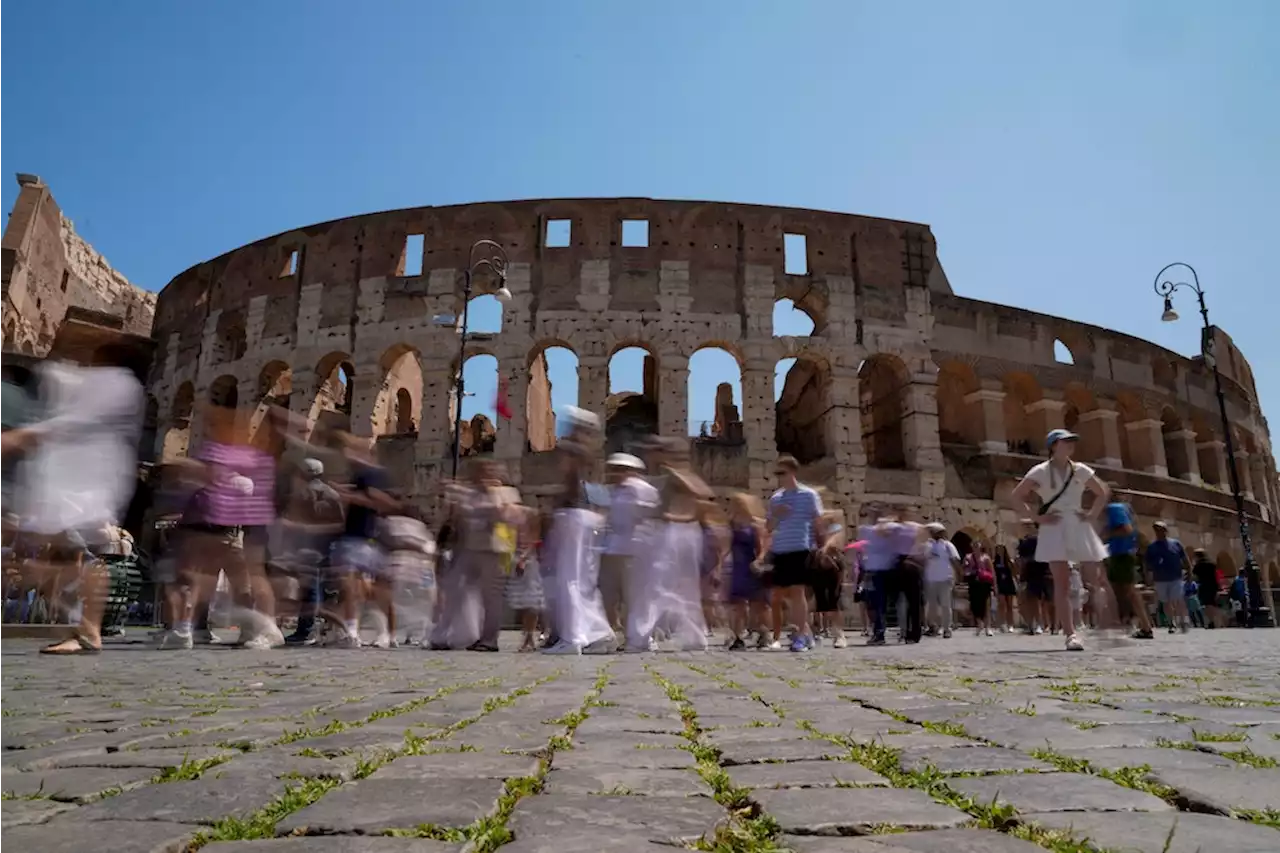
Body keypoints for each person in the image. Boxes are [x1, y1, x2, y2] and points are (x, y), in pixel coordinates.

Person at [0, 346, 145, 655]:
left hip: (87, 481)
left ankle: (87, 632)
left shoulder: (118, 382)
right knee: (63, 553)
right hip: (73, 477)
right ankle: (81, 631)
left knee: (77, 555)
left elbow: (80, 421)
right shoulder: (101, 381)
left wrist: (24, 436)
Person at [1010, 429, 1110, 652]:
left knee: (1096, 576)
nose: (1071, 445)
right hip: (1054, 525)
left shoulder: (1080, 469)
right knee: (1062, 582)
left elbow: (1101, 492)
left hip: (1077, 522)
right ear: (1053, 446)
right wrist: (1036, 517)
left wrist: (1092, 514)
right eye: (1066, 442)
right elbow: (1016, 496)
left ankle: (1106, 623)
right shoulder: (1041, 471)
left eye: (1072, 441)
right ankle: (1070, 634)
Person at [543, 407, 616, 655]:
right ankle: (599, 634)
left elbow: (569, 482)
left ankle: (572, 638)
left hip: (572, 514)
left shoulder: (570, 450)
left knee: (569, 578)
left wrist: (557, 504)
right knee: (585, 580)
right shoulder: (591, 453)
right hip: (590, 516)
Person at [766, 455, 825, 653]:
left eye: (781, 473)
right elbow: (768, 527)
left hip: (800, 548)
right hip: (780, 550)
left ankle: (799, 635)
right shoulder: (776, 498)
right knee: (784, 595)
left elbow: (818, 523)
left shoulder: (809, 495)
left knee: (797, 592)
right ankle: (806, 631)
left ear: (792, 472)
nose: (778, 477)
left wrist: (821, 548)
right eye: (776, 473)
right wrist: (777, 514)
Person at [600, 453, 656, 635]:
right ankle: (615, 629)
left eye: (617, 469)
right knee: (609, 593)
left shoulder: (643, 490)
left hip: (634, 547)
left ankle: (640, 634)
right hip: (613, 547)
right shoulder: (614, 491)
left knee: (634, 595)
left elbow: (649, 517)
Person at [857, 514, 924, 646]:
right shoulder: (904, 527)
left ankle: (881, 633)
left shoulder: (872, 530)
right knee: (912, 602)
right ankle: (912, 634)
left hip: (888, 567)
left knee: (882, 604)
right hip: (900, 564)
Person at [1101, 489, 1154, 639]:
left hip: (1121, 554)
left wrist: (1105, 535)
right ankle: (1131, 623)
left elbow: (1126, 530)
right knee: (1120, 591)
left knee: (1129, 591)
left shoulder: (1114, 508)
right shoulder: (1124, 508)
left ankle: (1144, 626)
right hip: (1122, 553)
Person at [725, 492, 768, 650]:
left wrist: (759, 560)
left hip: (751, 566)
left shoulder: (755, 524)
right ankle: (737, 636)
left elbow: (762, 547)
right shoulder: (730, 524)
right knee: (738, 605)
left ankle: (763, 632)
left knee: (758, 604)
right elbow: (725, 546)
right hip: (737, 566)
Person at [506, 509, 545, 652]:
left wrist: (524, 557)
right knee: (522, 600)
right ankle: (527, 635)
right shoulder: (512, 528)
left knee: (532, 600)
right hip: (516, 560)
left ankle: (530, 634)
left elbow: (534, 543)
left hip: (530, 563)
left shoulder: (532, 526)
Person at [810, 508, 848, 648]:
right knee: (815, 598)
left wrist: (825, 547)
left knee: (834, 599)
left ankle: (839, 634)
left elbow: (835, 539)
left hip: (833, 562)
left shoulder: (834, 526)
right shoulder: (813, 527)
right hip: (816, 561)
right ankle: (813, 632)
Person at [1144, 520, 1191, 634]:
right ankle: (1171, 622)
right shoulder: (1152, 547)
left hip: (1175, 577)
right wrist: (1148, 577)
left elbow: (1184, 559)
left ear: (1166, 531)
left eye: (1161, 530)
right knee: (1166, 602)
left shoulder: (1176, 544)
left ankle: (1183, 621)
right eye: (1156, 530)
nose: (1159, 532)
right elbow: (1146, 564)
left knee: (1178, 599)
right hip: (1160, 578)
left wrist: (1189, 571)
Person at [921, 522, 959, 638]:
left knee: (945, 605)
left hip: (945, 578)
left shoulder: (948, 545)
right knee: (931, 606)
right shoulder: (927, 545)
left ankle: (947, 628)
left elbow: (955, 560)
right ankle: (933, 627)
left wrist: (958, 575)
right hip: (930, 579)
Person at [1015, 520, 1053, 635]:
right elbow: (1021, 560)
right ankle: (1031, 623)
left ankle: (1041, 624)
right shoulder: (1024, 542)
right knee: (1028, 599)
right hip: (1029, 572)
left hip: (1041, 571)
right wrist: (1021, 574)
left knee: (1041, 600)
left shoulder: (1042, 540)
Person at [964, 540, 995, 636]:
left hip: (984, 583)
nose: (976, 547)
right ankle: (979, 623)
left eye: (977, 545)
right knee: (974, 605)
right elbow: (964, 568)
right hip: (974, 582)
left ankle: (988, 627)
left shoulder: (986, 557)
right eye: (974, 545)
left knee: (986, 604)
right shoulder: (968, 557)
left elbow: (992, 571)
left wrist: (995, 585)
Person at [1190, 549, 1221, 628]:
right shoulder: (1212, 564)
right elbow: (1217, 575)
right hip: (1213, 585)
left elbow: (1194, 576)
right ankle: (1216, 621)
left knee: (1207, 605)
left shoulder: (1198, 565)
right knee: (1212, 604)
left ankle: (1211, 621)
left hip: (1204, 585)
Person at [992, 543, 1018, 633]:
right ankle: (1002, 624)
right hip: (1000, 584)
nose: (1000, 551)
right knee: (1001, 604)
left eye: (1001, 549)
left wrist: (1018, 584)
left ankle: (1010, 624)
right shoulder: (994, 562)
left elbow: (1014, 574)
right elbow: (994, 575)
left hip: (1009, 584)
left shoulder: (1009, 562)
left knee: (1010, 605)